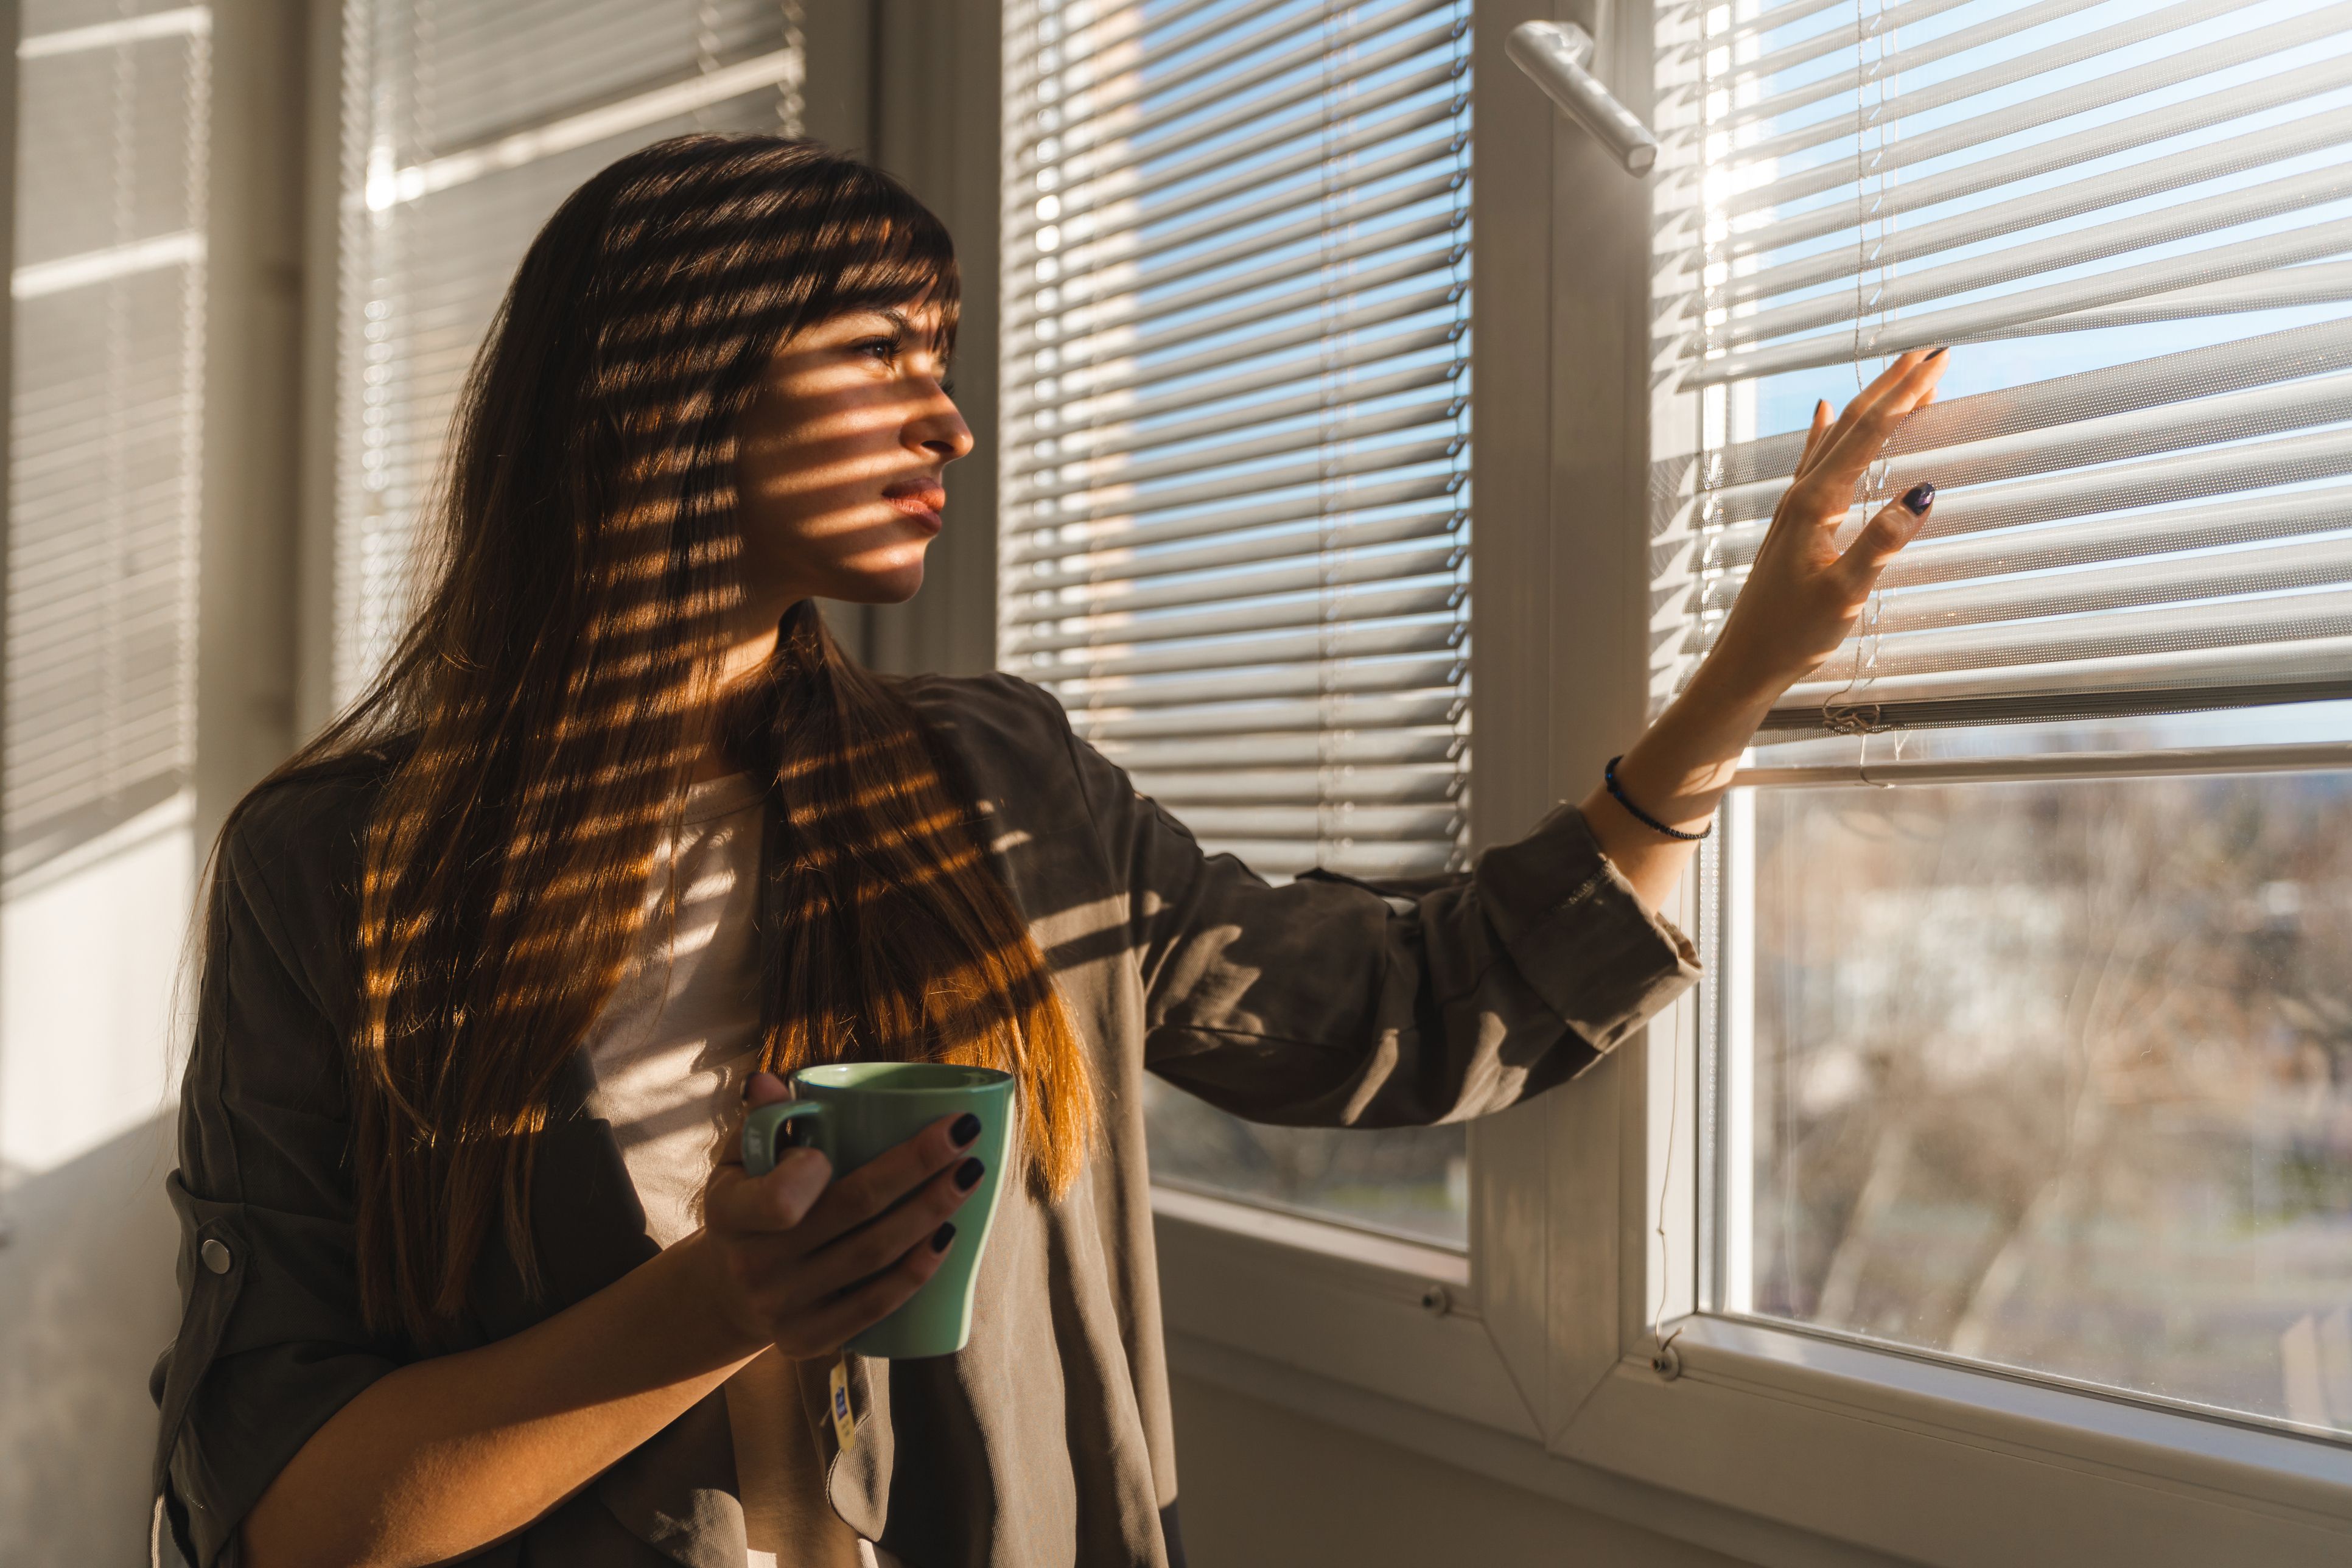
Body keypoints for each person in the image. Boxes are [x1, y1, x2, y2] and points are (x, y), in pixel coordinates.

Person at [148, 134, 1949, 1568]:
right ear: (664, 385)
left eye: (948, 365)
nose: (955, 423)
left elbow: (1402, 1004)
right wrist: (721, 1304)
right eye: (882, 357)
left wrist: (1740, 683)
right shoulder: (336, 877)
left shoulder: (993, 793)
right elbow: (300, 1510)